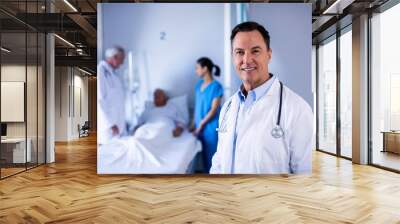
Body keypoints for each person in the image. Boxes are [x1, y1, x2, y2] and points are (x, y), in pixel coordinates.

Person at [210, 21, 314, 174]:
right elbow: (218, 162)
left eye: (255, 51)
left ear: (269, 54)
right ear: (233, 57)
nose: (246, 60)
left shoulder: (297, 109)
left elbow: (304, 176)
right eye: (239, 52)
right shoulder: (228, 107)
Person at [191, 57, 223, 173]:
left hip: (210, 127)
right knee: (204, 159)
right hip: (199, 126)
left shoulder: (216, 86)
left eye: (197, 68)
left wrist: (201, 125)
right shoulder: (198, 85)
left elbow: (214, 110)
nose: (196, 71)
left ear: (205, 69)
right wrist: (192, 124)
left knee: (212, 157)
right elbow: (197, 105)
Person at [98, 46, 126, 144]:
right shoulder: (100, 72)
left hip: (116, 126)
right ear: (114, 57)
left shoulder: (113, 75)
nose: (122, 63)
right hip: (108, 127)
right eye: (121, 59)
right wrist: (110, 124)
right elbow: (99, 101)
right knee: (107, 154)